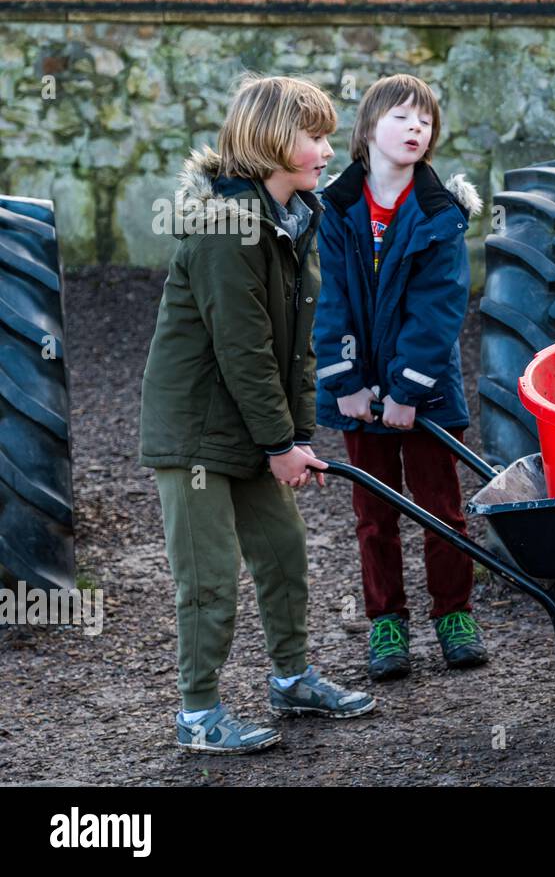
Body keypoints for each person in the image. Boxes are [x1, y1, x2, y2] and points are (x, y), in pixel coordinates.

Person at [139, 74, 376, 755]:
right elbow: (242, 350)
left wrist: (297, 435)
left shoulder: (297, 219)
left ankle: (292, 679)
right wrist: (279, 442)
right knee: (207, 576)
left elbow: (297, 341)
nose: (328, 150)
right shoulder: (226, 226)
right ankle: (199, 715)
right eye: (314, 136)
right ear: (272, 140)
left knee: (283, 551)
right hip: (195, 433)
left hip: (251, 423)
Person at [313, 73, 487, 681]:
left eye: (425, 121)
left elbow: (439, 310)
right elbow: (331, 300)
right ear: (367, 130)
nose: (416, 128)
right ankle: (387, 621)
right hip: (360, 392)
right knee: (372, 512)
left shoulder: (440, 214)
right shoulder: (335, 209)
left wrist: (409, 391)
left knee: (442, 507)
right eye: (402, 118)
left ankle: (454, 614)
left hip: (427, 391)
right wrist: (349, 384)